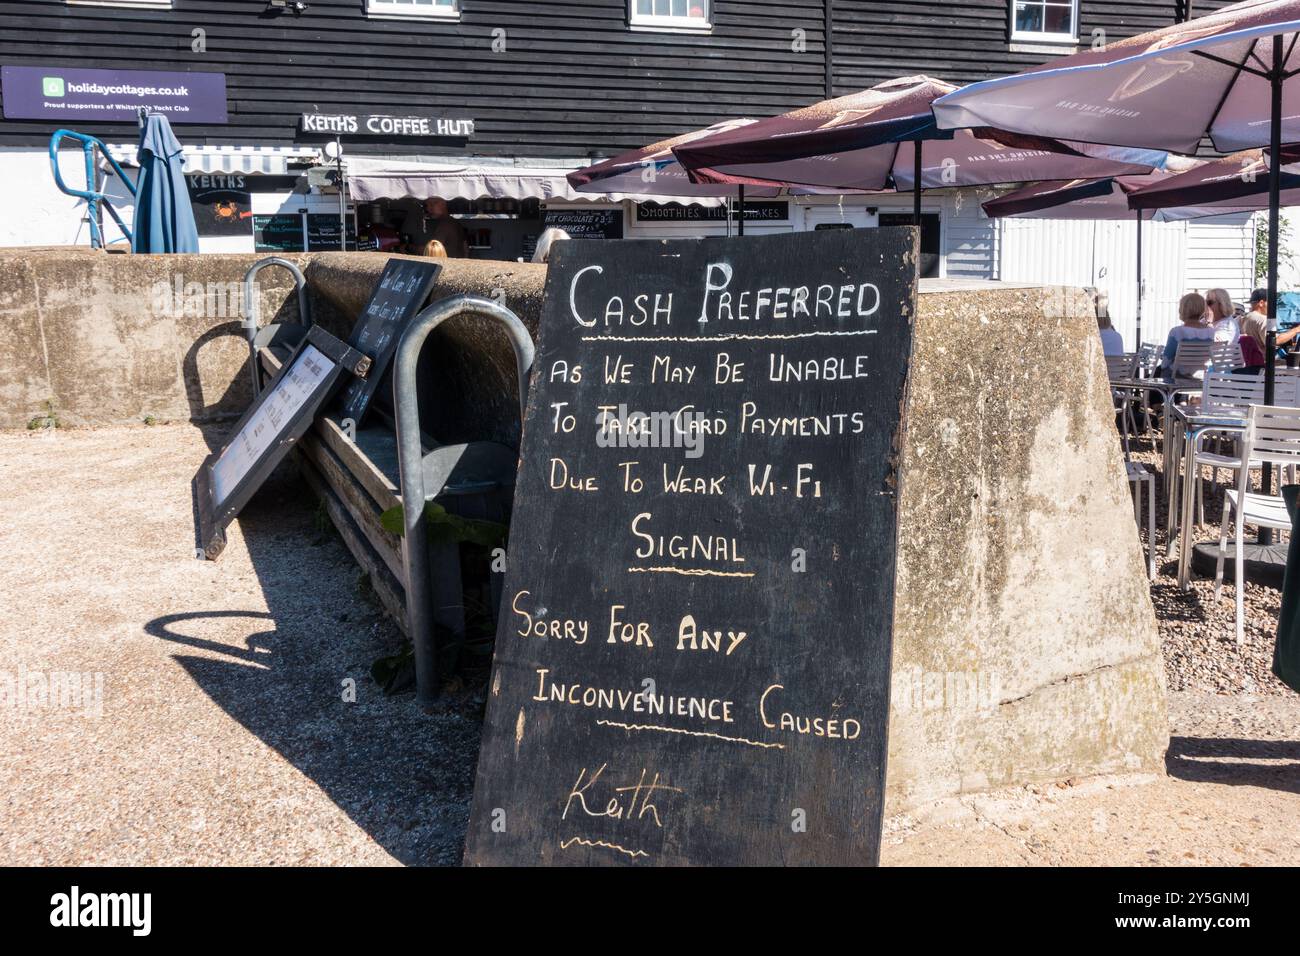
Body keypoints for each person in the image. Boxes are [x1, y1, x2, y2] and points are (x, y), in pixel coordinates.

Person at [1161, 291, 1215, 382]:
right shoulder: (1210, 332)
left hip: (1176, 377)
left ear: (1183, 309)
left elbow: (1166, 361)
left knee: (1154, 375)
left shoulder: (1177, 332)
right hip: (1199, 377)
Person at [402, 197, 468, 258]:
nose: (428, 208)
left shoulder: (446, 224)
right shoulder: (454, 222)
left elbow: (432, 250)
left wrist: (408, 247)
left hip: (448, 265)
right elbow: (465, 248)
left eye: (433, 203)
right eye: (427, 205)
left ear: (443, 203)